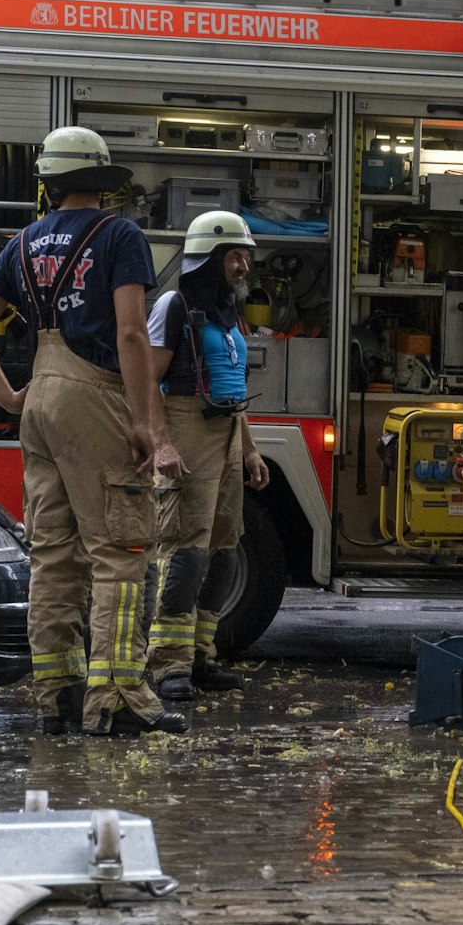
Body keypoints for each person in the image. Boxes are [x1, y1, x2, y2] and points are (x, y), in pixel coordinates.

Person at [0, 126, 187, 738]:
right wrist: (142, 423)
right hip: (96, 397)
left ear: (52, 183)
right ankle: (115, 699)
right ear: (104, 183)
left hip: (41, 397)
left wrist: (9, 396)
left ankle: (56, 693)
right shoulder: (120, 235)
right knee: (122, 551)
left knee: (54, 556)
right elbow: (133, 333)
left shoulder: (25, 243)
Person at [144, 210, 271, 702]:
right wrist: (162, 444)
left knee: (222, 550)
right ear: (209, 259)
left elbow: (232, 388)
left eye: (245, 257)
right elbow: (149, 382)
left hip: (224, 436)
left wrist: (251, 450)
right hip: (185, 430)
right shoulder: (173, 307)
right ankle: (168, 665)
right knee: (185, 551)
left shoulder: (225, 312)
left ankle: (200, 657)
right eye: (235, 256)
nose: (243, 267)